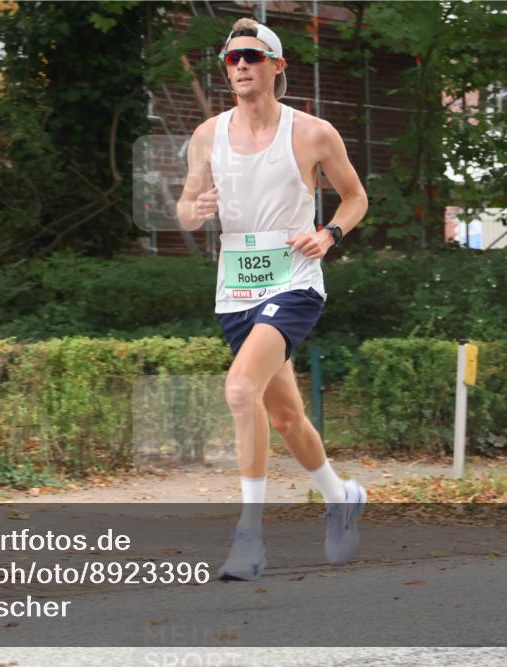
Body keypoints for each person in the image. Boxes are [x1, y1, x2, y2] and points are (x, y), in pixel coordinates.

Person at [176, 18, 370, 581]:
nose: (239, 65)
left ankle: (250, 537)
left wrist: (329, 233)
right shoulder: (208, 136)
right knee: (285, 416)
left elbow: (356, 197)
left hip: (294, 279)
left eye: (251, 57)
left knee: (240, 389)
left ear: (276, 66)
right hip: (234, 287)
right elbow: (186, 207)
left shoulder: (312, 133)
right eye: (232, 58)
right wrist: (197, 210)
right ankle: (341, 497)